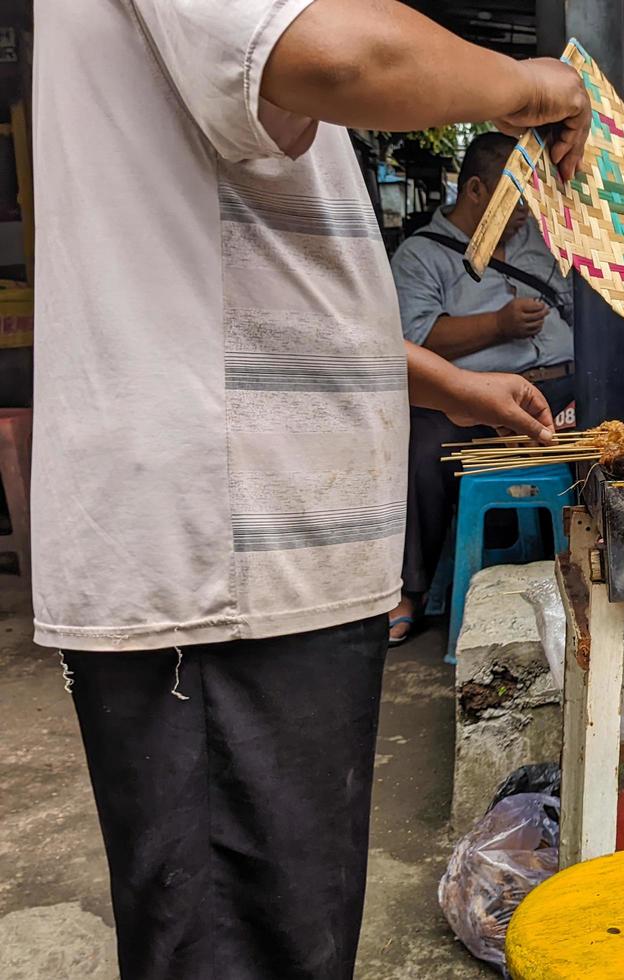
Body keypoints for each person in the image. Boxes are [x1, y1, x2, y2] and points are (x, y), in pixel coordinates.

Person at [32, 2, 588, 979]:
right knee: (242, 945)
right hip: (225, 560)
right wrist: (533, 85)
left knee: (287, 935)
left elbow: (274, 293)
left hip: (266, 556)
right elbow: (340, 53)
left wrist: (451, 385)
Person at [387, 132, 575, 643]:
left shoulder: (538, 245)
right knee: (423, 446)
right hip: (463, 399)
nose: (522, 213)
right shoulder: (422, 257)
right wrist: (497, 325)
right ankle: (409, 589)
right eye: (512, 200)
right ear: (474, 190)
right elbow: (412, 340)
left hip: (559, 389)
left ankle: (591, 563)